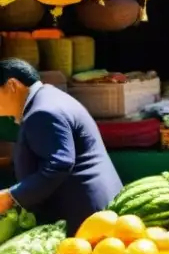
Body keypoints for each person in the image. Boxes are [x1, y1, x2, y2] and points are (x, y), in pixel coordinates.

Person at [0, 59, 121, 235]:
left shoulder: (42, 112)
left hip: (85, 214)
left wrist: (12, 197)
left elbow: (59, 164)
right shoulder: (47, 98)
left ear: (12, 85)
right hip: (89, 208)